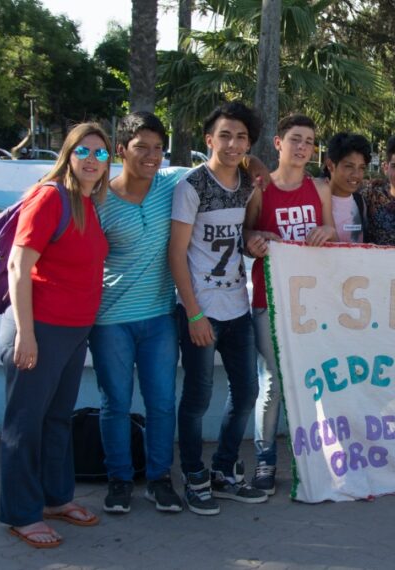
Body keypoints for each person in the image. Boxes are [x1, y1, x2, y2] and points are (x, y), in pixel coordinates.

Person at [0, 123, 111, 548]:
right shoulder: (50, 197)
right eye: (84, 151)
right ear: (68, 154)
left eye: (100, 155)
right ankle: (21, 514)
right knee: (24, 423)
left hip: (72, 332)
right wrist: (26, 333)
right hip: (39, 329)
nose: (91, 160)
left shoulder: (87, 202)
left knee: (57, 419)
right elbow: (18, 267)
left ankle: (54, 498)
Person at [170, 101, 272, 514]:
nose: (233, 144)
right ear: (209, 139)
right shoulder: (192, 186)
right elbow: (176, 254)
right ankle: (194, 475)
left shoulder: (249, 185)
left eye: (241, 137)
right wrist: (193, 313)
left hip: (238, 307)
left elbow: (245, 228)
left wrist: (251, 239)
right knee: (197, 397)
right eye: (225, 135)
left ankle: (223, 470)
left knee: (246, 391)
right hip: (201, 310)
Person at [88, 112, 190, 516]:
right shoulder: (99, 200)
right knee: (115, 401)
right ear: (121, 150)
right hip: (110, 320)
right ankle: (119, 480)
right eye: (141, 147)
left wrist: (254, 163)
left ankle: (160, 479)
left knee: (162, 401)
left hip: (160, 319)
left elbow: (220, 162)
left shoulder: (171, 185)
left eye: (158, 149)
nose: (151, 156)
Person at [245, 113, 335, 495]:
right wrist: (254, 238)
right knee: (273, 385)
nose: (302, 147)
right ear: (279, 144)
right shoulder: (260, 189)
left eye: (309, 141)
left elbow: (333, 232)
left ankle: (315, 457)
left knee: (319, 381)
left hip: (316, 303)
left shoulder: (321, 189)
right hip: (270, 299)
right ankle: (265, 462)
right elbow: (245, 233)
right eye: (295, 139)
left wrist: (327, 231)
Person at [324, 132, 372, 243]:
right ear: (330, 165)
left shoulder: (360, 201)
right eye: (349, 166)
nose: (356, 174)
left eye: (361, 168)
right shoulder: (315, 201)